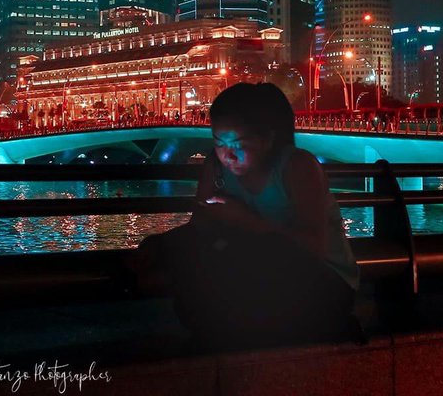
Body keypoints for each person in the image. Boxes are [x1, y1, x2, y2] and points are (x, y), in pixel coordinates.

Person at [124, 83, 360, 350]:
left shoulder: (297, 167)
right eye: (219, 143)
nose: (228, 155)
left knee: (231, 272)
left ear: (267, 140)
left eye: (238, 144)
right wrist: (158, 243)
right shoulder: (216, 167)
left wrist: (244, 221)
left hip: (323, 281)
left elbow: (312, 248)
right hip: (262, 270)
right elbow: (198, 228)